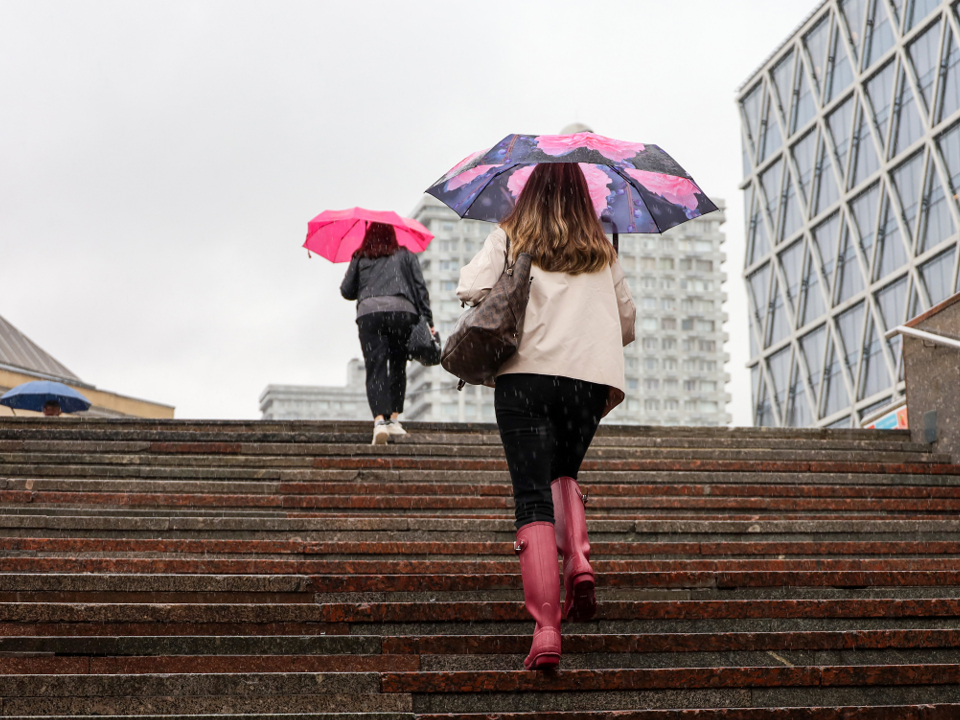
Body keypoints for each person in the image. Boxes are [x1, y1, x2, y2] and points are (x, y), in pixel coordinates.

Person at [456, 163, 636, 670]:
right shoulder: (602, 246)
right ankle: (578, 558)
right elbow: (625, 322)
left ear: (528, 192)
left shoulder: (510, 234)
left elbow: (470, 288)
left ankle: (546, 629)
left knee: (532, 496)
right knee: (565, 472)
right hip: (588, 384)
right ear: (583, 196)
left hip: (525, 379)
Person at [341, 221, 434, 445]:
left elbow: (347, 291)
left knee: (376, 367)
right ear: (393, 234)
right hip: (402, 313)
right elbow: (420, 288)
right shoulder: (406, 255)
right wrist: (428, 321)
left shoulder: (361, 256)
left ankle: (379, 421)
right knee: (398, 365)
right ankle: (393, 418)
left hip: (370, 314)